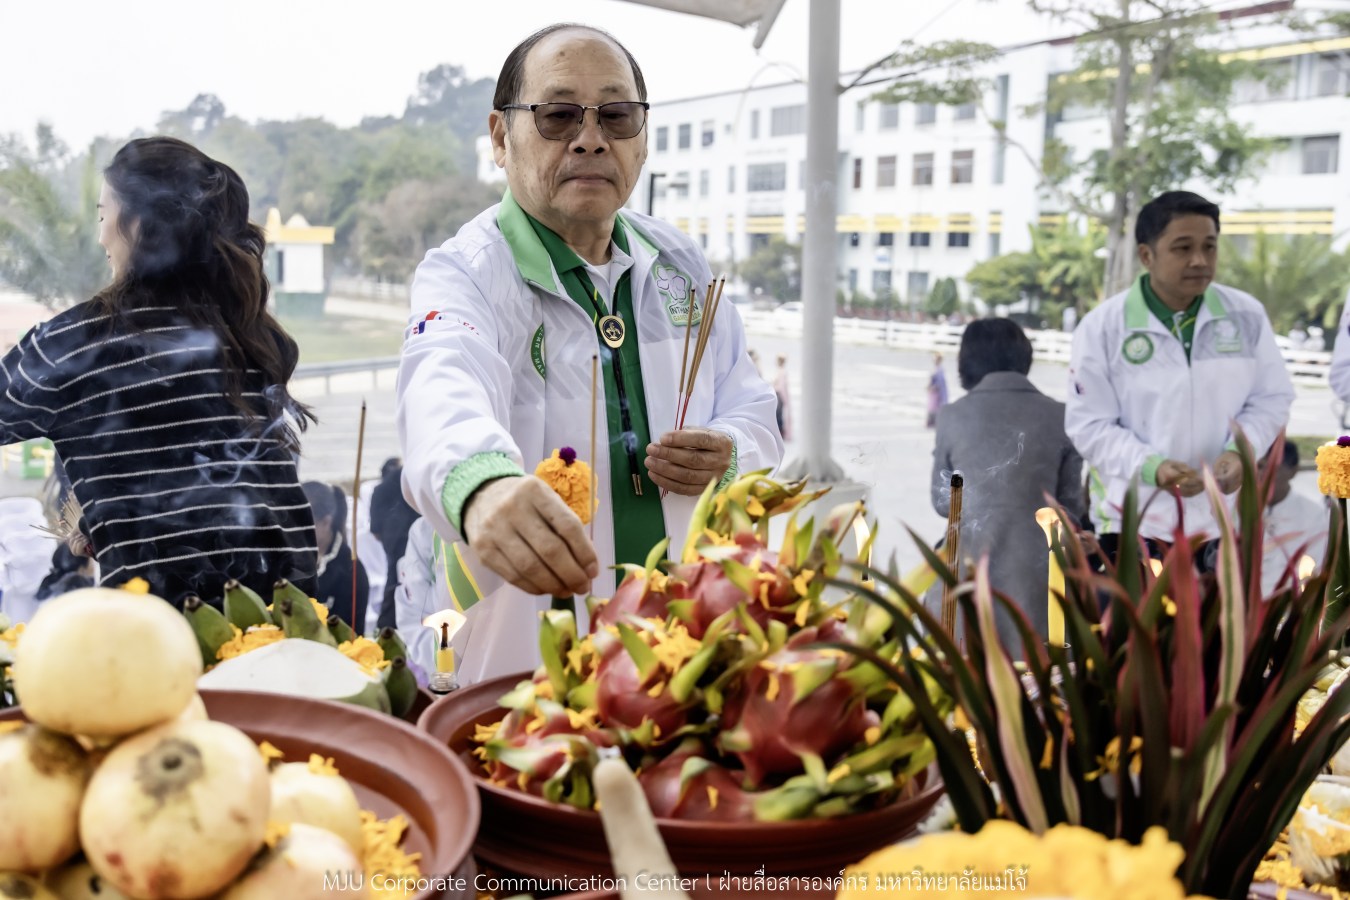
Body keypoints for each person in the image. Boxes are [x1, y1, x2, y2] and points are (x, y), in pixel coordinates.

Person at [395, 24, 782, 685]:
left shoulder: (680, 268)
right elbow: (442, 389)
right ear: (499, 136)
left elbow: (752, 408)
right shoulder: (466, 274)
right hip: (514, 668)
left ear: (642, 135)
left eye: (617, 114)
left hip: (678, 657)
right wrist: (482, 486)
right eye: (557, 114)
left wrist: (731, 448)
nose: (591, 137)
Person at [0, 137, 317, 605]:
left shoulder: (77, 343)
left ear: (138, 223)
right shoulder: (240, 330)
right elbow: (202, 470)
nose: (101, 234)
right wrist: (109, 512)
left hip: (166, 632)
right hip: (292, 617)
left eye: (104, 214)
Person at [1065, 191, 1294, 555]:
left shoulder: (1245, 316)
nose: (1200, 260)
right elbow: (1089, 425)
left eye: (1210, 246)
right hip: (1131, 527)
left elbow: (1272, 398)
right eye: (1183, 248)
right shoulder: (1103, 329)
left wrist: (1240, 451)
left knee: (1221, 616)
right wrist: (1151, 467)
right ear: (1146, 255)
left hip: (1222, 525)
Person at [931, 319, 1085, 646]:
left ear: (966, 361)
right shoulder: (1061, 416)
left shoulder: (952, 415)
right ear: (1024, 356)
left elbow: (943, 502)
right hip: (1042, 579)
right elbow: (1071, 509)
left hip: (968, 572)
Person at [1260, 442, 1327, 596]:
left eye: (1274, 469)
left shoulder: (1314, 515)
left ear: (1293, 471)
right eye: (1259, 467)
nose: (1264, 475)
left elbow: (1317, 568)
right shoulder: (1235, 508)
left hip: (1288, 606)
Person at [302, 481, 369, 633]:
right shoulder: (289, 558)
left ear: (326, 522)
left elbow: (350, 635)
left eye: (302, 523)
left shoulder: (351, 572)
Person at [370, 457, 420, 631]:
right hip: (412, 540)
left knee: (394, 583)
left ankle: (386, 630)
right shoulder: (413, 478)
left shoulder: (380, 490)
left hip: (394, 542)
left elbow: (375, 531)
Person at [926, 352, 948, 429]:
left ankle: (934, 421)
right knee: (931, 406)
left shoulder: (940, 370)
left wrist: (934, 387)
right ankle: (931, 421)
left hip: (937, 392)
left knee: (935, 407)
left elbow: (940, 383)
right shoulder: (936, 369)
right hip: (933, 392)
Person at [773, 353, 792, 441]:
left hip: (779, 394)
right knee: (779, 414)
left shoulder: (781, 372)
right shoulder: (782, 371)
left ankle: (780, 432)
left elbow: (780, 386)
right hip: (780, 394)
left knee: (779, 414)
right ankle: (780, 431)